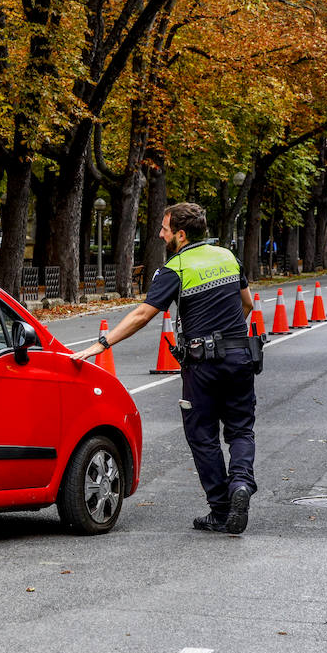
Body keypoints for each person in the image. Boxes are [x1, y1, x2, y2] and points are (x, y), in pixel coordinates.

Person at [72, 202, 258, 534]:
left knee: (202, 435)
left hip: (203, 366)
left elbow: (143, 314)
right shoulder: (228, 257)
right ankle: (241, 482)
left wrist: (102, 344)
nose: (160, 234)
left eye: (165, 229)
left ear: (181, 235)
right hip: (240, 356)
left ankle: (220, 509)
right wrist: (230, 338)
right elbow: (247, 304)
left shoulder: (177, 267)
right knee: (241, 429)